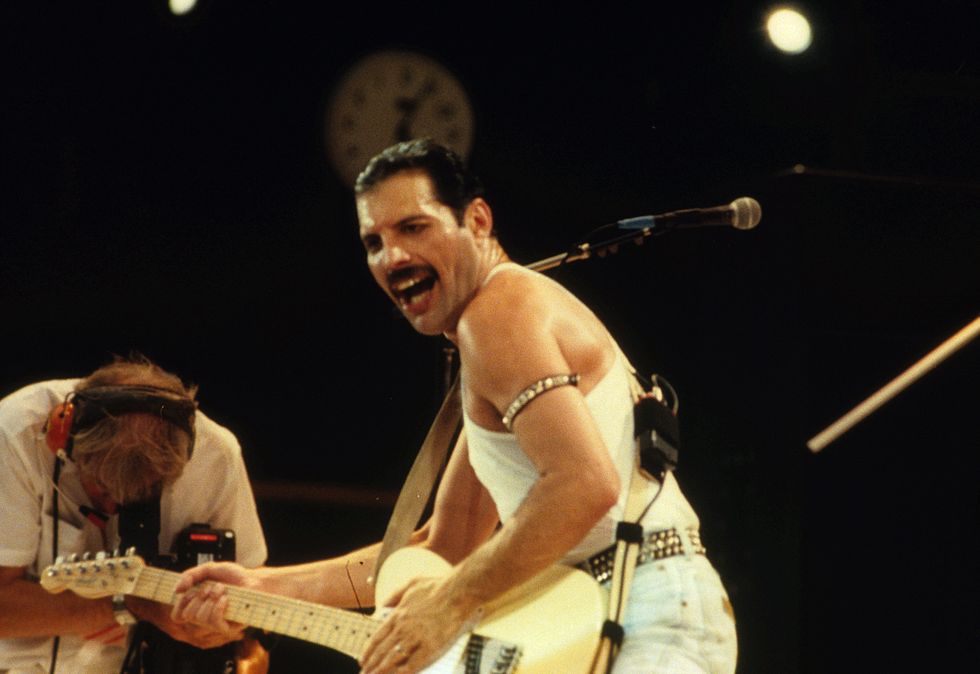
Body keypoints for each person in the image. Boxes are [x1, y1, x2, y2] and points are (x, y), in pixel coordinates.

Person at [174, 139, 737, 673]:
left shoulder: (496, 315)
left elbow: (584, 484)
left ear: (478, 221)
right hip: (624, 611)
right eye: (373, 242)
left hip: (641, 615)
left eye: (414, 227)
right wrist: (259, 587)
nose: (393, 256)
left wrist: (446, 607)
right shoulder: (498, 337)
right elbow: (443, 545)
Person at [0, 355, 268, 674]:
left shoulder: (217, 455)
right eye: (102, 489)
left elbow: (251, 600)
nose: (114, 508)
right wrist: (134, 604)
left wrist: (232, 637)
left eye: (142, 495)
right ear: (63, 435)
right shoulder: (14, 433)